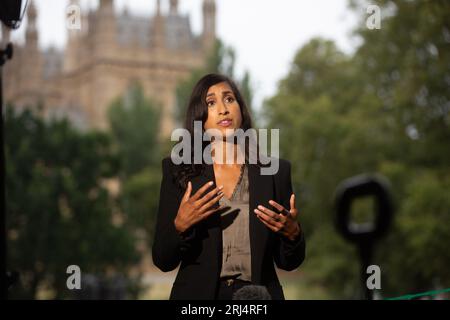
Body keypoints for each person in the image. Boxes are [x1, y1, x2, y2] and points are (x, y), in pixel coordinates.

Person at [152, 73, 305, 300]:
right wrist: (179, 226)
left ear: (241, 109)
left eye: (229, 99)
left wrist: (293, 235)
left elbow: (288, 262)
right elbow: (163, 260)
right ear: (199, 117)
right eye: (211, 103)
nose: (223, 109)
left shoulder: (275, 172)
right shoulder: (178, 172)